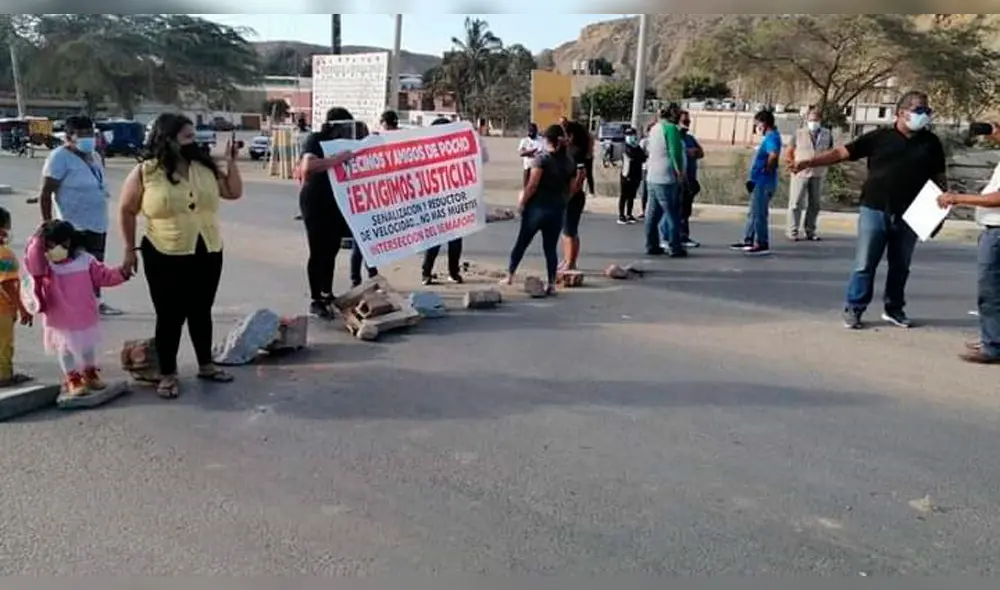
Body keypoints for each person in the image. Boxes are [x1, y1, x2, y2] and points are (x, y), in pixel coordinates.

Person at [792, 90, 945, 329]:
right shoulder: (879, 137)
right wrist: (810, 161)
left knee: (901, 265)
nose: (924, 115)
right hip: (875, 208)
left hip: (911, 214)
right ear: (900, 113)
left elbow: (939, 179)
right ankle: (854, 308)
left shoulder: (931, 143)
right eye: (918, 110)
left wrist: (938, 214)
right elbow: (842, 153)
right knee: (865, 263)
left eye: (927, 111)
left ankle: (894, 309)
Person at [118, 112, 245, 398]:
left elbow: (233, 192)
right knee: (170, 316)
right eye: (186, 135)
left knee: (201, 311)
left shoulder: (204, 167)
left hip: (207, 248)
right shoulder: (146, 172)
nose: (193, 140)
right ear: (167, 138)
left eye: (193, 135)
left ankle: (206, 365)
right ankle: (167, 373)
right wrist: (129, 250)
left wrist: (231, 162)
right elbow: (126, 210)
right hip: (164, 251)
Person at [23, 220, 131, 397]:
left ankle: (89, 373)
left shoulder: (85, 260)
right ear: (45, 245)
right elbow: (32, 257)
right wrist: (37, 236)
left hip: (84, 314)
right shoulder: (46, 266)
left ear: (71, 241)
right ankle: (72, 377)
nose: (58, 247)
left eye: (63, 243)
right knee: (65, 348)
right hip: (61, 318)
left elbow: (103, 276)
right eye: (51, 244)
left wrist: (122, 274)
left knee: (88, 346)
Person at [35, 115, 123, 315]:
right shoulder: (59, 157)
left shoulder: (95, 156)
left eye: (90, 133)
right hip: (72, 224)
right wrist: (48, 225)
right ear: (68, 136)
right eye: (81, 134)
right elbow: (46, 193)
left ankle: (96, 302)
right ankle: (70, 304)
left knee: (95, 266)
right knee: (72, 268)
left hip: (97, 222)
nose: (87, 138)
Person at [937, 122, 1000, 363]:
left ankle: (992, 346)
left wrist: (958, 198)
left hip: (997, 232)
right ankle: (991, 337)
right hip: (993, 231)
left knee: (991, 291)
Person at [295, 107, 361, 318]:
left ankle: (327, 291)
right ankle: (316, 298)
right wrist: (337, 159)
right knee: (318, 250)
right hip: (315, 200)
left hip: (335, 201)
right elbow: (308, 167)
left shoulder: (344, 143)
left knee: (332, 247)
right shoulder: (316, 139)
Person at [504, 124, 573, 295]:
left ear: (546, 140)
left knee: (522, 243)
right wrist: (562, 202)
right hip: (556, 210)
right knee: (550, 249)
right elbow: (572, 188)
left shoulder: (541, 159)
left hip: (536, 209)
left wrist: (522, 203)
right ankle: (551, 284)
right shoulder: (569, 162)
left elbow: (532, 185)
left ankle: (510, 275)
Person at [422, 116, 484, 285]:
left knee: (441, 239)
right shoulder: (450, 150)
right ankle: (450, 272)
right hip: (447, 200)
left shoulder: (432, 151)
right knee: (450, 239)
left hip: (447, 200)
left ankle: (429, 273)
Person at [731, 110, 781, 256]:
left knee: (759, 213)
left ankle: (762, 243)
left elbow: (773, 155)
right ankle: (749, 240)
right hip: (758, 181)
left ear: (764, 124)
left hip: (763, 182)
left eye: (757, 125)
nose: (756, 128)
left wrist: (766, 169)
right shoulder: (768, 138)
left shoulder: (772, 137)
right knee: (753, 212)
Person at [644, 104, 687, 257]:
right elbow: (675, 152)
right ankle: (675, 247)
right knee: (673, 213)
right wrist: (680, 173)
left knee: (652, 214)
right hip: (666, 177)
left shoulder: (654, 128)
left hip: (652, 175)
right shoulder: (671, 129)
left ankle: (651, 245)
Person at [786, 106, 834, 241]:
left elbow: (830, 152)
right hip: (800, 173)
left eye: (816, 119)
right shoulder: (798, 133)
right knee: (795, 203)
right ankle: (792, 231)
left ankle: (810, 231)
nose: (814, 122)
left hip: (818, 173)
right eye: (811, 119)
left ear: (820, 120)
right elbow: (789, 151)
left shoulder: (827, 134)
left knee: (815, 204)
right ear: (807, 119)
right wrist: (791, 164)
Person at [0, 207, 34, 386]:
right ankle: (4, 377)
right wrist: (22, 309)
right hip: (2, 309)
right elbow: (6, 285)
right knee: (4, 345)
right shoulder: (4, 254)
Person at [561, 121, 590, 269]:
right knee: (566, 231)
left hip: (573, 197)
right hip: (568, 195)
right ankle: (567, 259)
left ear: (571, 135)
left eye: (565, 134)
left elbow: (581, 174)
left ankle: (571, 262)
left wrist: (572, 192)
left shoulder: (576, 152)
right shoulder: (570, 150)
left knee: (569, 231)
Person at [679, 110, 704, 248]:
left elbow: (701, 152)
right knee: (679, 209)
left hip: (691, 179)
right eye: (685, 121)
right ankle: (679, 236)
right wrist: (686, 152)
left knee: (686, 209)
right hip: (681, 179)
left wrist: (695, 152)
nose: (687, 124)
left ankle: (684, 235)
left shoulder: (690, 138)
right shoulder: (676, 138)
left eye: (689, 121)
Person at [618, 127, 645, 224]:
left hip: (636, 174)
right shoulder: (625, 147)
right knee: (624, 195)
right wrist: (637, 156)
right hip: (626, 174)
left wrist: (638, 152)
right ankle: (621, 215)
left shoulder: (637, 147)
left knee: (631, 196)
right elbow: (630, 157)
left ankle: (629, 214)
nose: (631, 137)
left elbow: (643, 157)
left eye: (633, 135)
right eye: (629, 135)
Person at [518, 123, 545, 188]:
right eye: (530, 131)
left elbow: (544, 152)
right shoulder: (524, 141)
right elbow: (522, 153)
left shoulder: (541, 140)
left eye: (533, 130)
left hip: (539, 167)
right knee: (526, 187)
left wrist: (529, 153)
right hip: (528, 167)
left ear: (536, 131)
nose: (531, 132)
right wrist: (532, 151)